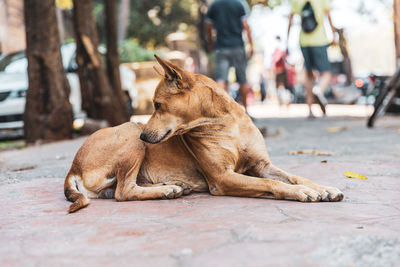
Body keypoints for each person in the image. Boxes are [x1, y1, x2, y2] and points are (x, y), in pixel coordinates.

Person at [287, 0, 336, 118]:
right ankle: (319, 91)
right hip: (319, 40)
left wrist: (287, 41)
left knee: (309, 76)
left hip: (304, 41)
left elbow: (290, 19)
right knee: (327, 73)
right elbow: (328, 16)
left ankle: (309, 110)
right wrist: (333, 35)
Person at [205, 0, 254, 112]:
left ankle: (220, 112)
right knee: (242, 80)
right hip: (238, 47)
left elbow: (208, 26)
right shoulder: (239, 3)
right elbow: (246, 26)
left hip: (221, 47)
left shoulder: (214, 5)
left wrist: (211, 43)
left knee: (221, 79)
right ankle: (246, 111)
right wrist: (251, 46)